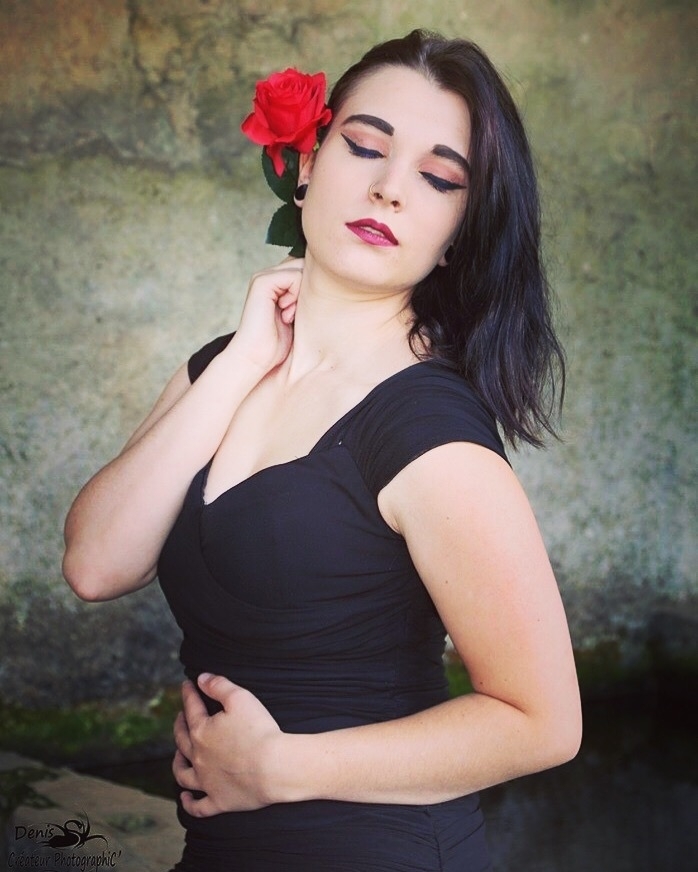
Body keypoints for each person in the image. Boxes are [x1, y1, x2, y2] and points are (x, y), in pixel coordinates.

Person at [63, 29, 582, 872]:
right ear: (306, 165)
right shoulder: (222, 368)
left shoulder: (428, 431)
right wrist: (242, 363)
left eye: (439, 178)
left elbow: (544, 723)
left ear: (457, 231)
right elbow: (94, 565)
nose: (388, 188)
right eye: (366, 147)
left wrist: (283, 768)